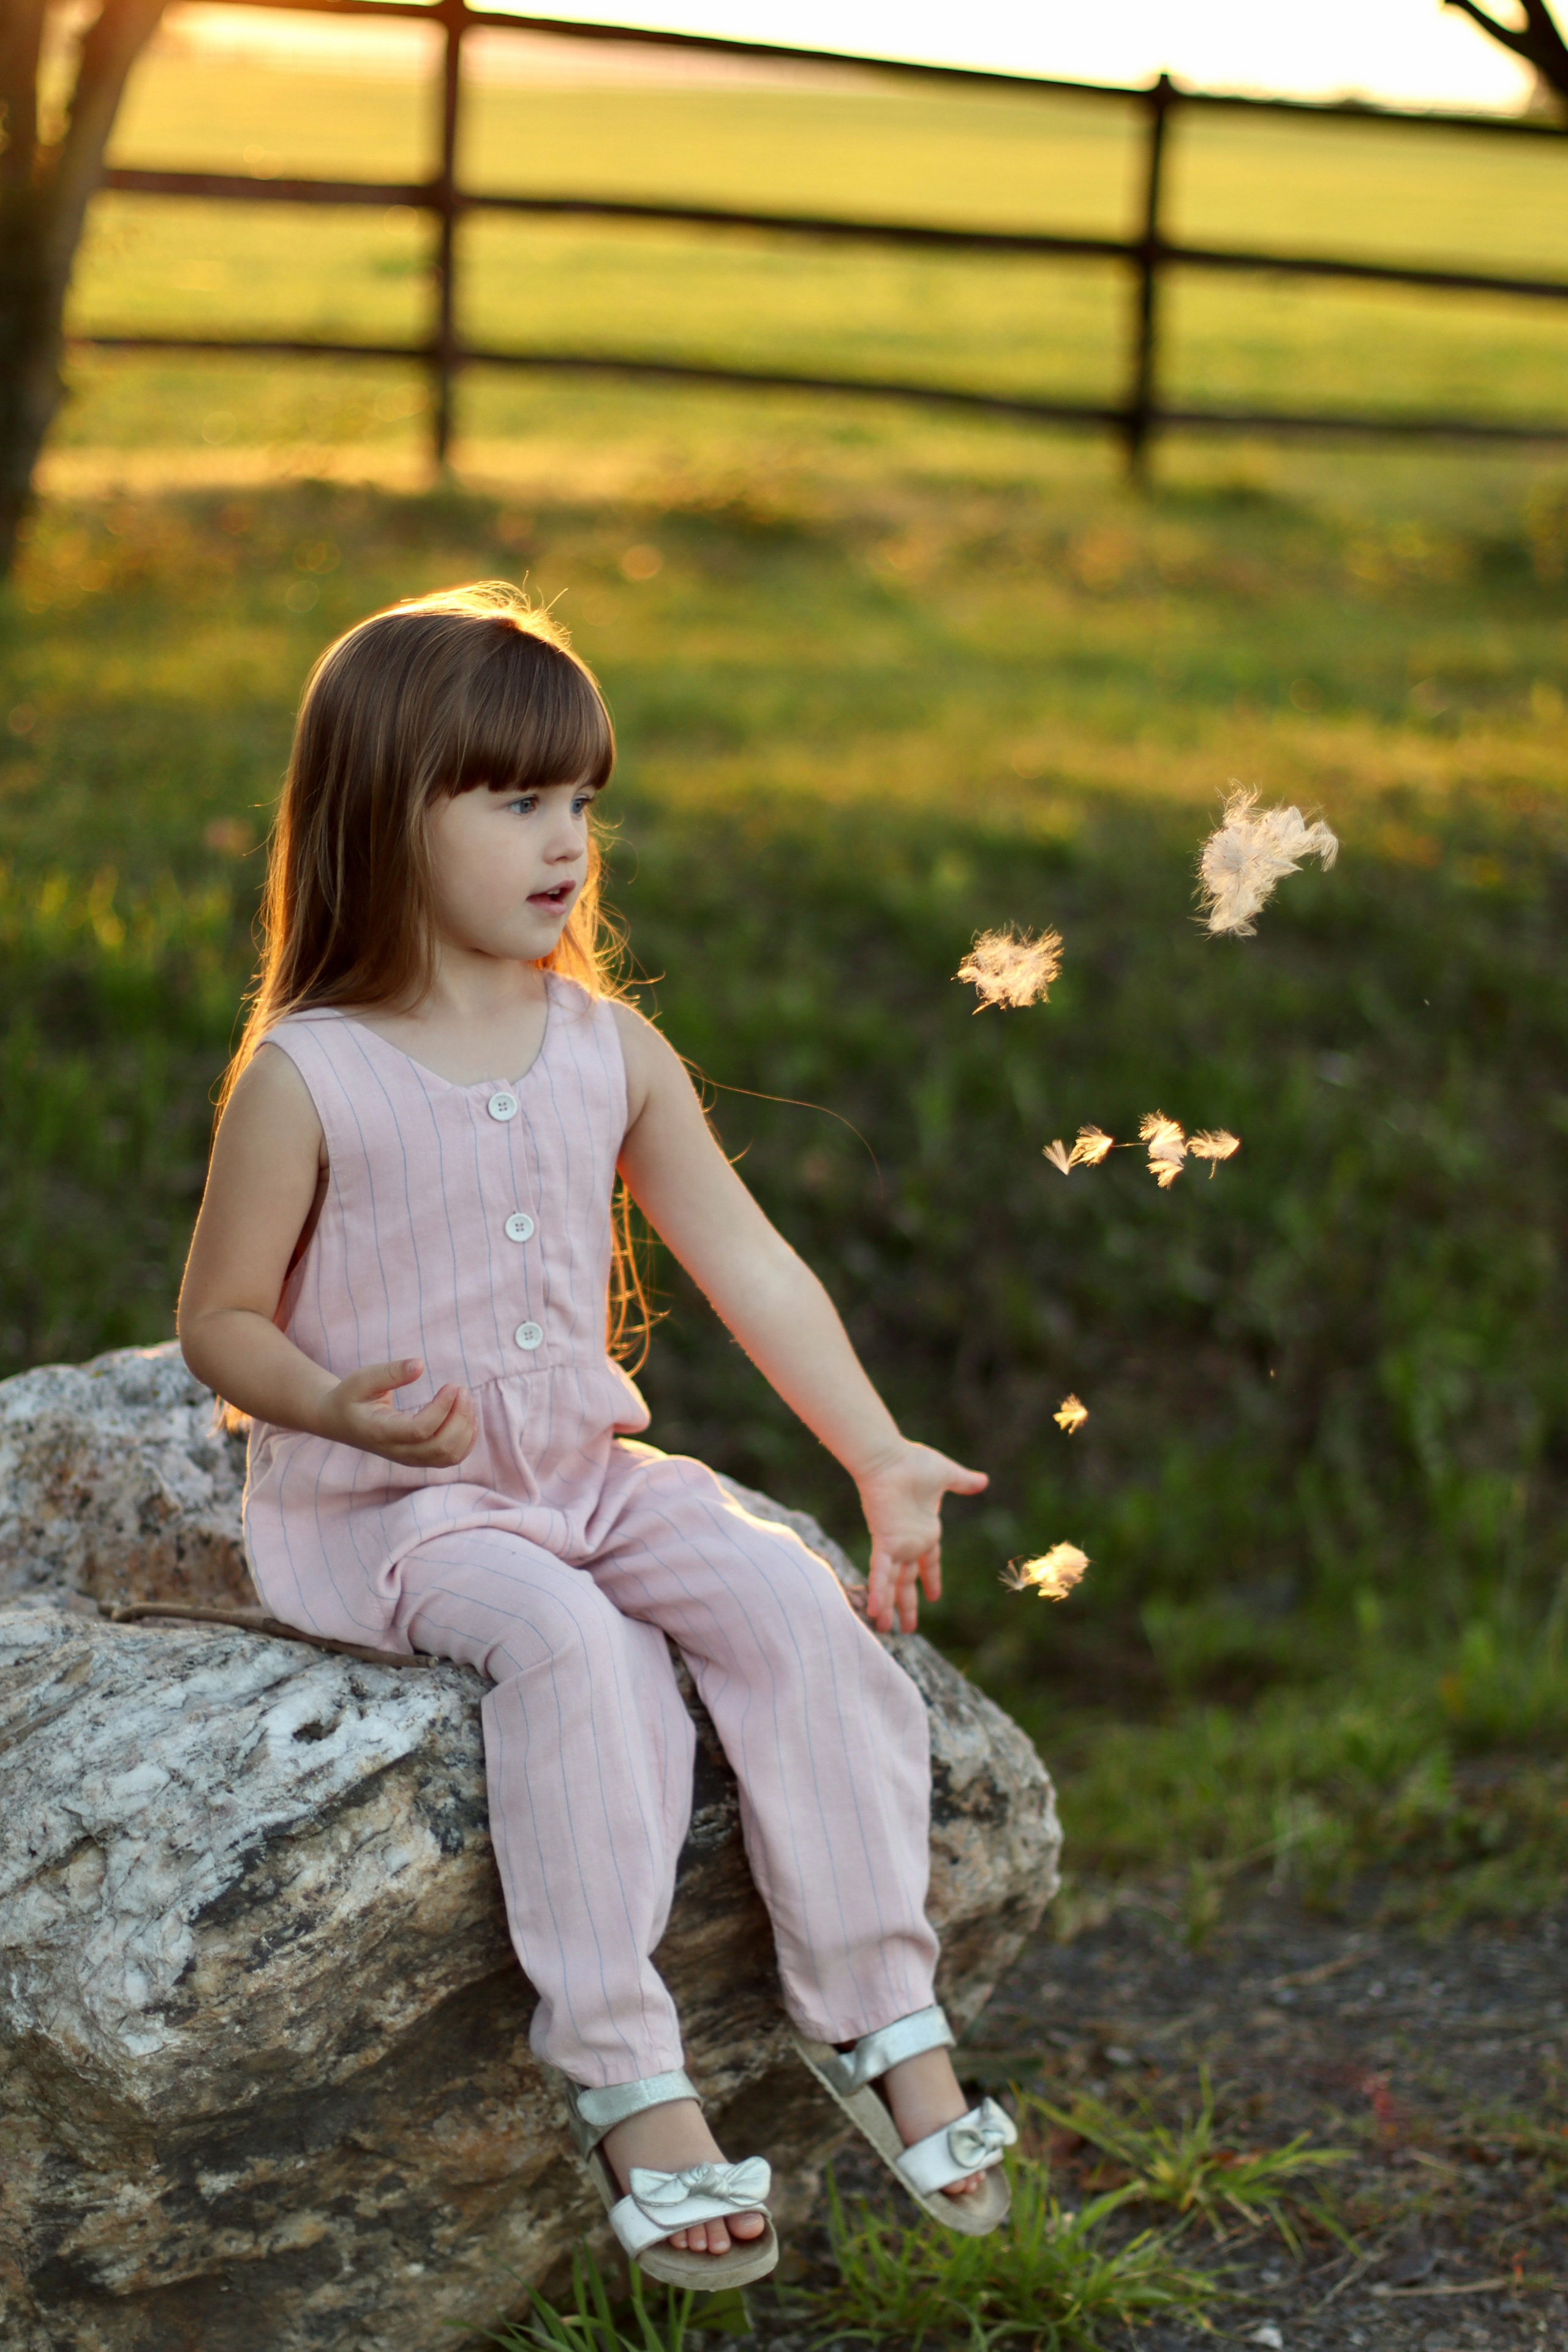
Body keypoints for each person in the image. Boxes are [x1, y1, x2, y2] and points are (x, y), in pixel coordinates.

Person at [178, 583, 1017, 2288]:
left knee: (788, 1603)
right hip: (393, 1512)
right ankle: (629, 2076)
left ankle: (885, 2015)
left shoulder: (606, 1048)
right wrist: (335, 1402)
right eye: (514, 800)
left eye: (581, 801)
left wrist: (874, 1453)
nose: (567, 841)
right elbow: (222, 1321)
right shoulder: (313, 1074)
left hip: (580, 1470)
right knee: (581, 1656)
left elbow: (750, 1267)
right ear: (380, 815)